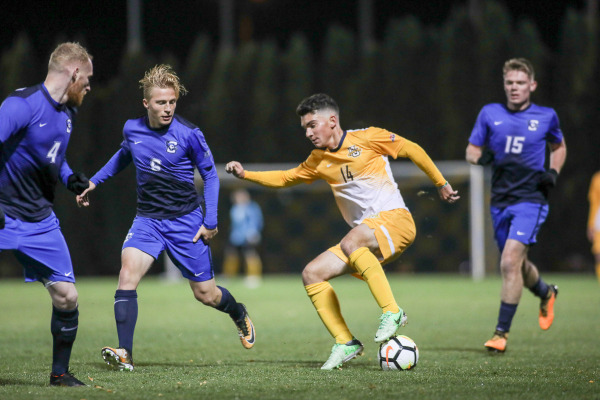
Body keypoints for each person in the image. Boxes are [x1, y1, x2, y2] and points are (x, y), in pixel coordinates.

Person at [226, 93, 459, 370]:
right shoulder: (318, 159)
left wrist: (440, 182)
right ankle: (345, 341)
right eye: (305, 129)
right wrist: (246, 175)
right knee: (312, 273)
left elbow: (412, 149)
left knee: (352, 240)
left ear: (332, 121)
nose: (308, 133)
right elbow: (286, 178)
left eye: (313, 125)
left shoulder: (368, 137)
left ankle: (392, 312)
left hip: (396, 222)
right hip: (365, 238)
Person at [76, 64, 255, 371]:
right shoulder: (132, 129)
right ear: (146, 103)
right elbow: (123, 155)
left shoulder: (189, 134)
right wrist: (94, 181)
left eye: (172, 102)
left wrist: (210, 222)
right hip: (147, 220)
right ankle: (125, 354)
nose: (168, 108)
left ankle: (237, 311)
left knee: (206, 294)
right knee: (127, 274)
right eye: (161, 102)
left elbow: (211, 176)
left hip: (186, 221)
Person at [0, 42, 93, 386]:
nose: (89, 86)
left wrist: (70, 179)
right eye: (87, 79)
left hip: (40, 221)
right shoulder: (20, 105)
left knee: (67, 297)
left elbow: (51, 155)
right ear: (73, 73)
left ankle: (59, 374)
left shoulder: (68, 113)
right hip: (3, 213)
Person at [465, 58, 567, 353]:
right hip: (499, 201)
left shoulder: (546, 116)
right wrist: (479, 158)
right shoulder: (490, 113)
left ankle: (500, 334)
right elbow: (472, 149)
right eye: (509, 83)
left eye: (520, 83)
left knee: (509, 262)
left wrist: (553, 172)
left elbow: (559, 146)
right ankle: (546, 293)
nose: (514, 88)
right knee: (518, 266)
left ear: (532, 86)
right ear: (504, 85)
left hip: (531, 200)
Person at [222, 188, 264, 288]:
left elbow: (257, 221)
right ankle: (228, 276)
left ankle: (254, 276)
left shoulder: (252, 208)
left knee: (250, 254)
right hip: (236, 236)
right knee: (231, 255)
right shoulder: (235, 208)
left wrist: (253, 232)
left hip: (248, 236)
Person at [587, 171, 600, 283]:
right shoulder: (597, 179)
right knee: (598, 252)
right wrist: (590, 225)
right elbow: (594, 203)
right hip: (599, 220)